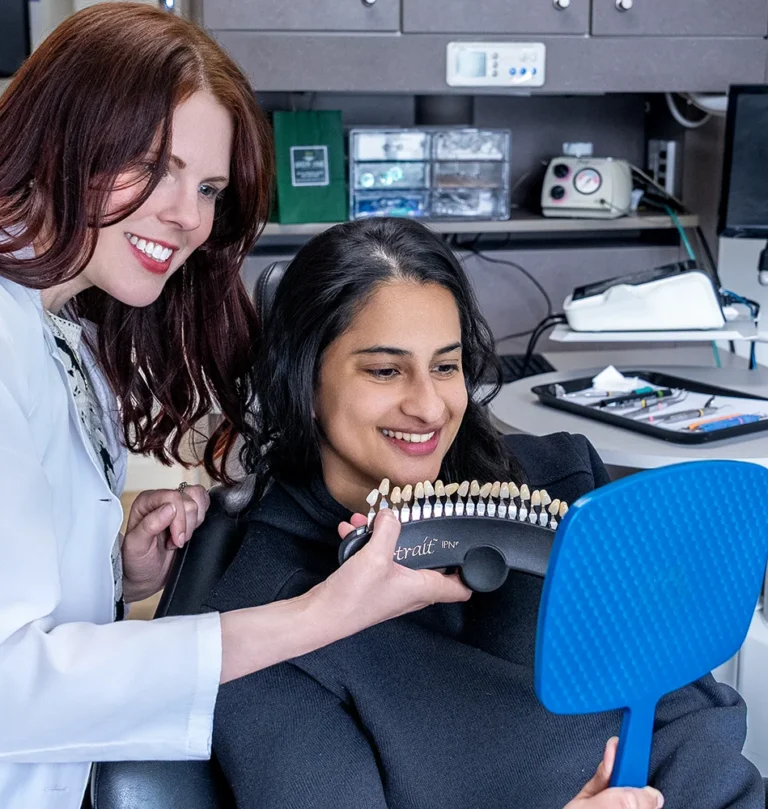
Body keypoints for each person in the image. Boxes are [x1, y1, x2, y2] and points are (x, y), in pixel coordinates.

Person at [0, 7, 470, 808]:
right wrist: (320, 614)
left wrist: (117, 571)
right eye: (155, 166)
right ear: (62, 135)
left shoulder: (58, 326)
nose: (188, 215)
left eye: (208, 188)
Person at [207, 217, 764, 809]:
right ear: (303, 381)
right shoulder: (260, 625)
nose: (429, 407)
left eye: (445, 366)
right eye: (385, 370)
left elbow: (686, 714)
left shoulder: (565, 482)